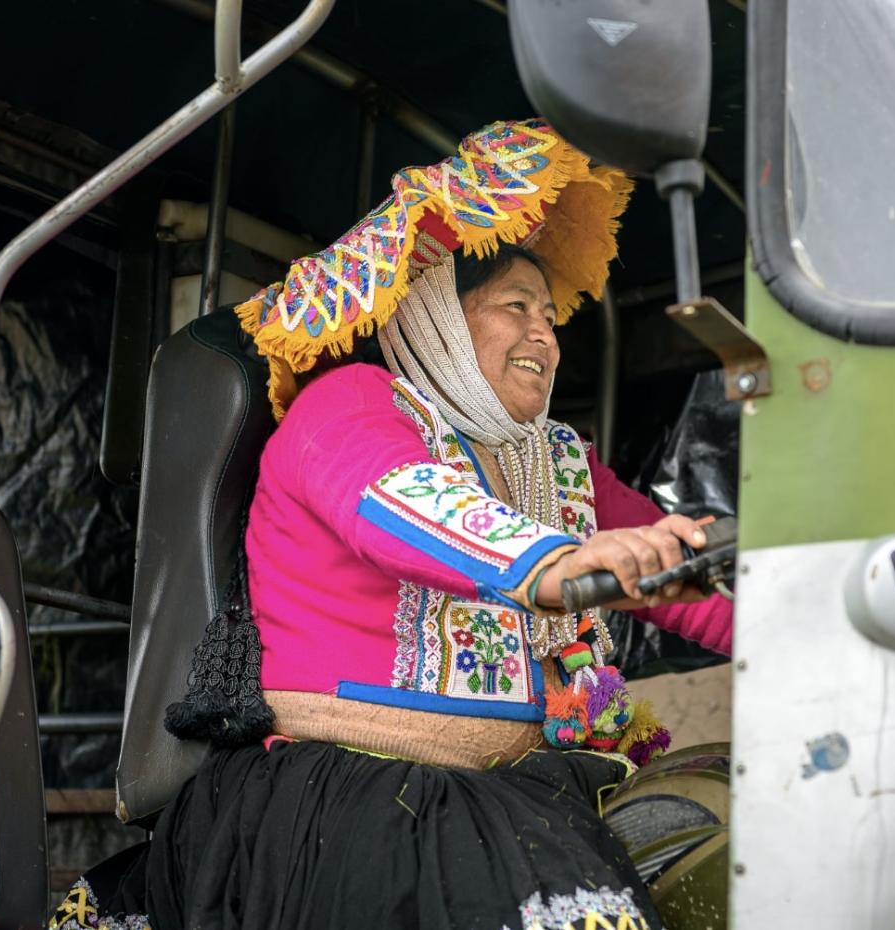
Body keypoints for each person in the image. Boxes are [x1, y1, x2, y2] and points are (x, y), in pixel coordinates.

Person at [51, 118, 732, 930]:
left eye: (550, 314)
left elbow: (677, 577)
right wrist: (552, 563)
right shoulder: (350, 406)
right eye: (516, 306)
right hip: (353, 798)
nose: (545, 333)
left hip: (514, 794)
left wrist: (797, 614)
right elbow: (399, 503)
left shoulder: (559, 462)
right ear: (435, 315)